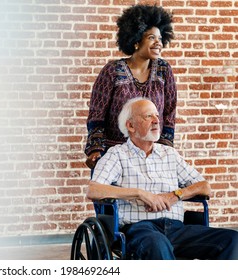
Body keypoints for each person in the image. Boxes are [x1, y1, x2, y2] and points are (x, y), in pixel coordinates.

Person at [87, 97, 238, 260]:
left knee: (232, 240)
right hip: (140, 231)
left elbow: (204, 187)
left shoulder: (169, 154)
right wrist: (140, 193)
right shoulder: (117, 154)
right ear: (130, 126)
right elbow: (94, 190)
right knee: (157, 243)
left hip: (177, 230)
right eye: (148, 116)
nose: (156, 121)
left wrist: (176, 195)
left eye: (157, 116)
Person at [85, 4, 177, 169]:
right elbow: (97, 114)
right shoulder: (112, 71)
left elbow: (169, 113)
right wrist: (95, 149)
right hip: (113, 155)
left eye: (160, 38)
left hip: (150, 155)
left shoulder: (164, 71)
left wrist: (165, 148)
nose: (158, 43)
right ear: (136, 40)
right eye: (151, 38)